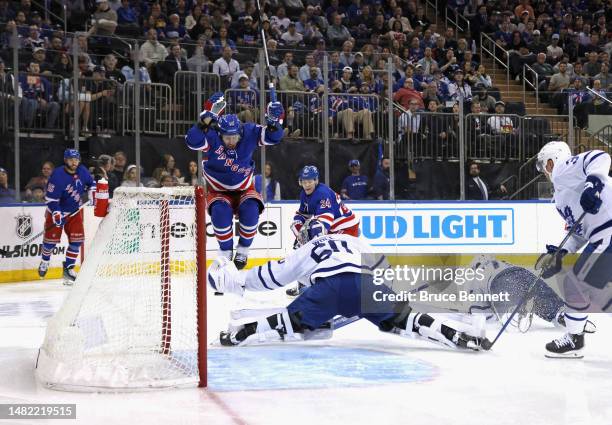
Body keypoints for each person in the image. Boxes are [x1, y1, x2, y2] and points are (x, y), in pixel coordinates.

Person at [207, 221, 489, 350]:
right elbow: (383, 269)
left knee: (291, 320)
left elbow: (274, 275)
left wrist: (240, 282)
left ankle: (243, 331)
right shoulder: (355, 241)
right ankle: (459, 335)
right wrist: (385, 293)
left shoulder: (309, 247)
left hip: (329, 288)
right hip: (367, 285)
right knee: (408, 319)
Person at [185, 93, 284, 268]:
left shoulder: (249, 132)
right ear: (220, 134)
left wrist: (277, 121)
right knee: (220, 212)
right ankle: (225, 251)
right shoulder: (213, 135)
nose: (231, 141)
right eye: (227, 138)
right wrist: (204, 120)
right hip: (218, 190)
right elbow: (192, 141)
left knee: (251, 209)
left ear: (240, 133)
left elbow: (274, 137)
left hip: (244, 188)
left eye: (234, 137)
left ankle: (243, 250)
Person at [534, 142, 612, 358]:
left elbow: (600, 156)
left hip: (608, 234)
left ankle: (574, 339)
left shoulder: (562, 170)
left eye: (543, 165)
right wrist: (561, 252)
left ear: (551, 161)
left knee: (576, 284)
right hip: (602, 237)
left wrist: (593, 185)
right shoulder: (560, 198)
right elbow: (578, 233)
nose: (544, 172)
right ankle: (575, 337)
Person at [38, 149, 95, 284]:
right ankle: (45, 261)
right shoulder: (57, 176)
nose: (74, 162)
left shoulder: (82, 170)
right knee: (50, 243)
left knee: (77, 241)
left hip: (74, 211)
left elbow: (91, 183)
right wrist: (56, 213)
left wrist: (92, 191)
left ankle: (68, 270)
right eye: (71, 159)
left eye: (76, 159)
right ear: (65, 160)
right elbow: (51, 199)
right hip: (56, 212)